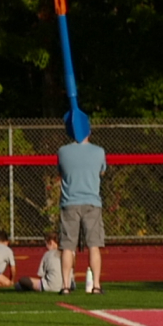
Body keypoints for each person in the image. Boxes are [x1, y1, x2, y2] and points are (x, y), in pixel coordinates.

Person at [57, 124, 108, 294]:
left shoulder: (63, 151)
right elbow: (102, 172)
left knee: (67, 246)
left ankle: (65, 285)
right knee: (94, 245)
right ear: (89, 132)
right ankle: (96, 285)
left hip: (69, 202)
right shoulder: (99, 151)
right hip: (92, 202)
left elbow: (61, 172)